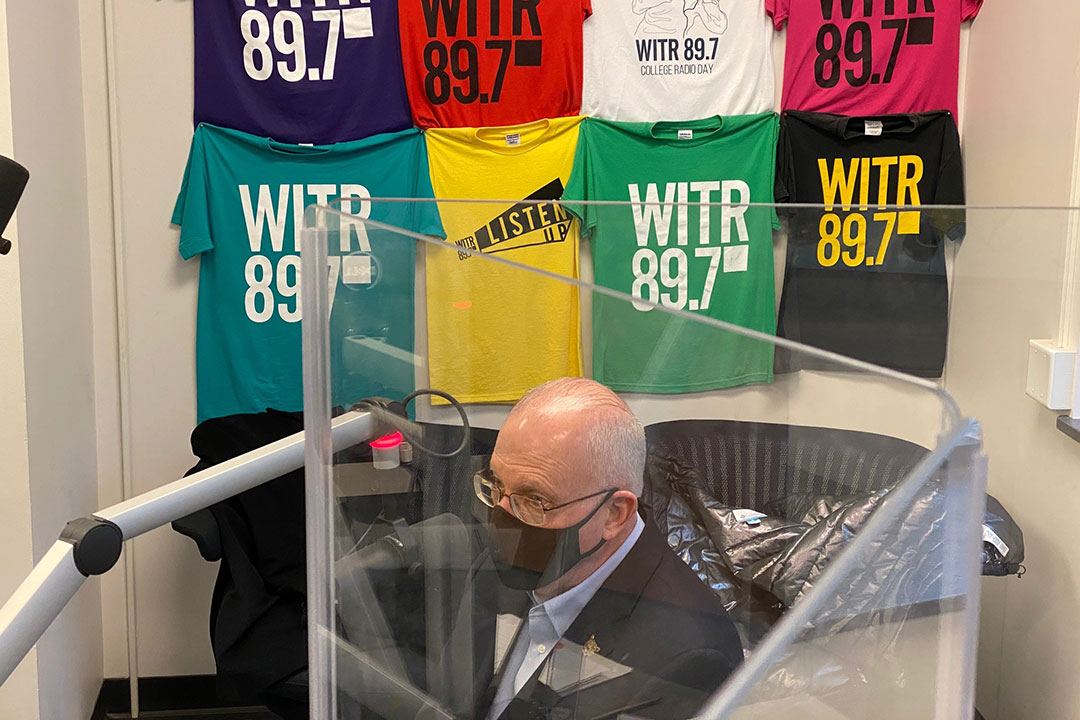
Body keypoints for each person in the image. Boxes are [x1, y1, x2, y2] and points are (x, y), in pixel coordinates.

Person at [474, 377, 743, 720]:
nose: (502, 516)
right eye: (494, 486)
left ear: (614, 514)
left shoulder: (686, 655)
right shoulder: (504, 563)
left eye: (535, 501)